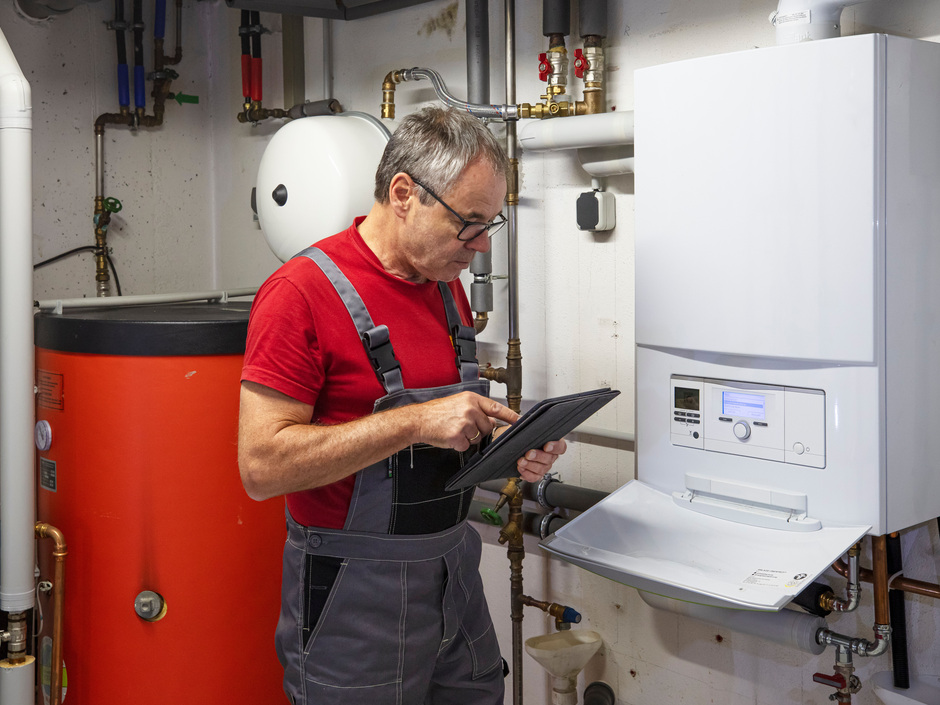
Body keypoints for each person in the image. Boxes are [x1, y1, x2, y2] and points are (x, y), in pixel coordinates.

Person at [238, 105, 567, 705]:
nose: (482, 245)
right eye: (470, 222)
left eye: (492, 224)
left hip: (454, 578)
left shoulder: (447, 291)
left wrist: (507, 450)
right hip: (351, 597)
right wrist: (414, 421)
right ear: (404, 193)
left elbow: (441, 443)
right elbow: (261, 467)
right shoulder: (299, 296)